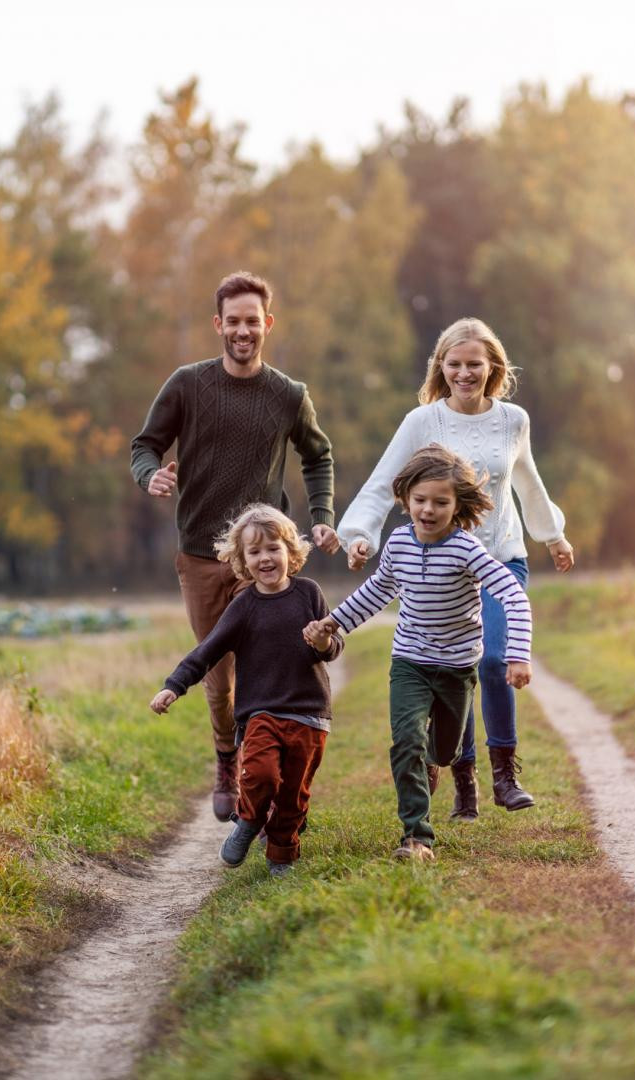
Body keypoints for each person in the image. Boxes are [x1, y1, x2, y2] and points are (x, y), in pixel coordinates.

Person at [336, 317, 572, 821]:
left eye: (475, 364)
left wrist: (553, 536)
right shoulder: (423, 421)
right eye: (455, 364)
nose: (465, 373)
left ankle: (505, 773)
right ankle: (465, 780)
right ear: (441, 367)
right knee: (454, 666)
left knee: (492, 659)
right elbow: (385, 481)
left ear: (493, 368)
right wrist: (359, 535)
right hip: (443, 563)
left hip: (501, 554)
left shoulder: (514, 420)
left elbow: (527, 482)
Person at [131, 271, 341, 820]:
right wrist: (149, 474)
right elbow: (145, 444)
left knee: (271, 663)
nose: (243, 330)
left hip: (261, 560)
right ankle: (228, 756)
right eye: (234, 321)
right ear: (217, 325)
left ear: (267, 324)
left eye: (253, 321)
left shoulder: (288, 395)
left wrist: (321, 517)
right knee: (219, 674)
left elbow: (318, 456)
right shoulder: (186, 384)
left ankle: (261, 762)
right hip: (201, 553)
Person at [307, 445, 531, 862]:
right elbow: (378, 591)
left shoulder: (467, 549)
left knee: (443, 752)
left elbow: (513, 596)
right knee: (406, 740)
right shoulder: (398, 542)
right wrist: (333, 622)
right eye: (420, 500)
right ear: (405, 498)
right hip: (409, 660)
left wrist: (518, 654)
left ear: (457, 504)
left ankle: (435, 765)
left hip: (457, 665)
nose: (428, 510)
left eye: (441, 502)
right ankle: (417, 837)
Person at [151, 505, 342, 876]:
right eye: (254, 552)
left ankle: (281, 855)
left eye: (273, 548)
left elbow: (334, 648)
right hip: (262, 713)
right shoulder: (244, 606)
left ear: (291, 551)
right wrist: (174, 686)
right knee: (260, 776)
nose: (265, 558)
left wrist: (322, 643)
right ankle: (249, 822)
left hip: (310, 714)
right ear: (242, 560)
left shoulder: (309, 593)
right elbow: (207, 651)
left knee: (293, 795)